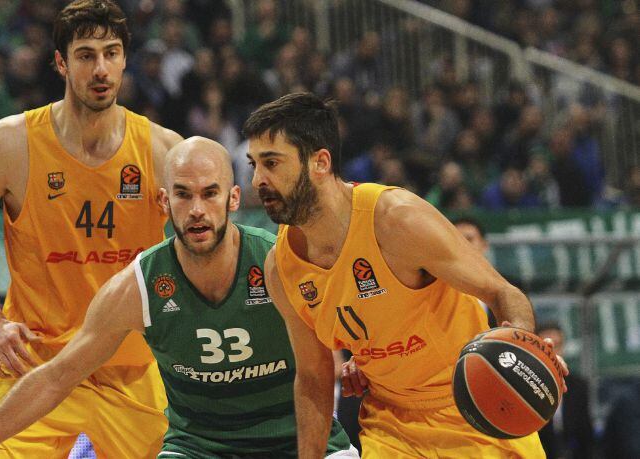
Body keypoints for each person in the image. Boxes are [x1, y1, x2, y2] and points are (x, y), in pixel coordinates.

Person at [0, 137, 358, 458]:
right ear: (164, 202)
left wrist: (361, 361)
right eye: (183, 195)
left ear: (234, 198)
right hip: (199, 449)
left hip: (298, 441)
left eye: (209, 194)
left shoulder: (281, 262)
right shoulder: (136, 286)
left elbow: (338, 349)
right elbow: (54, 378)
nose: (197, 209)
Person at [244, 93, 567, 457]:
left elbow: (503, 293)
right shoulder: (280, 268)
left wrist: (521, 348)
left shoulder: (397, 219)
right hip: (390, 426)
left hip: (473, 407)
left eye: (271, 162)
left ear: (320, 162)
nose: (258, 179)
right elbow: (314, 379)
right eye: (253, 163)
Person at [0, 1, 182, 456]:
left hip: (130, 367)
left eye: (111, 53)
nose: (100, 68)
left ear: (126, 59)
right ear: (61, 62)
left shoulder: (164, 151)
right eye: (86, 55)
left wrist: (188, 221)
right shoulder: (11, 143)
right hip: (34, 363)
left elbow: (207, 243)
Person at [536, 322, 594, 459]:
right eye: (548, 347)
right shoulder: (526, 385)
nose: (554, 352)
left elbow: (586, 434)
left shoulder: (578, 385)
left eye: (558, 345)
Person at [452, 216, 497, 328]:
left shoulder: (511, 287)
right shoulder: (434, 288)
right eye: (457, 239)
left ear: (484, 245)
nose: (463, 245)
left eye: (469, 239)